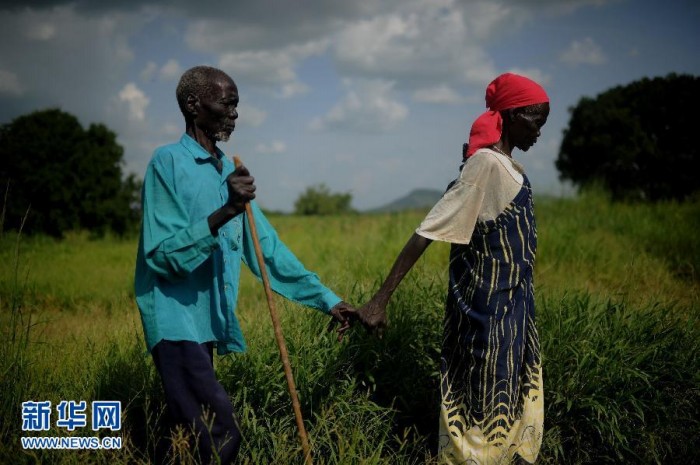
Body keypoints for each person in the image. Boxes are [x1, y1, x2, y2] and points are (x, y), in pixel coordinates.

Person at [134, 65, 356, 464]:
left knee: (185, 435)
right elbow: (163, 257)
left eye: (237, 105)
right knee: (218, 431)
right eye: (227, 103)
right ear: (193, 105)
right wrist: (227, 210)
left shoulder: (227, 170)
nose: (234, 114)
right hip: (175, 321)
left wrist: (329, 301)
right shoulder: (166, 163)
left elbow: (267, 249)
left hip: (206, 323)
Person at [357, 73, 550, 464]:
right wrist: (380, 299)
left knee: (513, 404)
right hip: (486, 318)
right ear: (511, 115)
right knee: (482, 407)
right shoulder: (486, 164)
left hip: (515, 312)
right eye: (535, 120)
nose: (539, 131)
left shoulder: (510, 169)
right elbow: (428, 230)